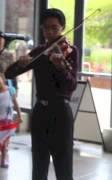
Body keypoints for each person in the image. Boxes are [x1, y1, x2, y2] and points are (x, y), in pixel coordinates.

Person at [5, 8, 79, 179]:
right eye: (46, 28)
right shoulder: (39, 52)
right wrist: (20, 64)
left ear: (62, 27)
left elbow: (71, 85)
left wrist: (60, 68)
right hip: (40, 112)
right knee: (39, 165)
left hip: (61, 113)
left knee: (63, 166)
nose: (50, 32)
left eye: (55, 27)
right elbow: (9, 74)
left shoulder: (70, 51)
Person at [0, 73, 21, 168]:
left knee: (4, 142)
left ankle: (3, 160)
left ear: (3, 79)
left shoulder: (10, 91)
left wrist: (19, 116)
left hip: (7, 122)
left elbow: (16, 104)